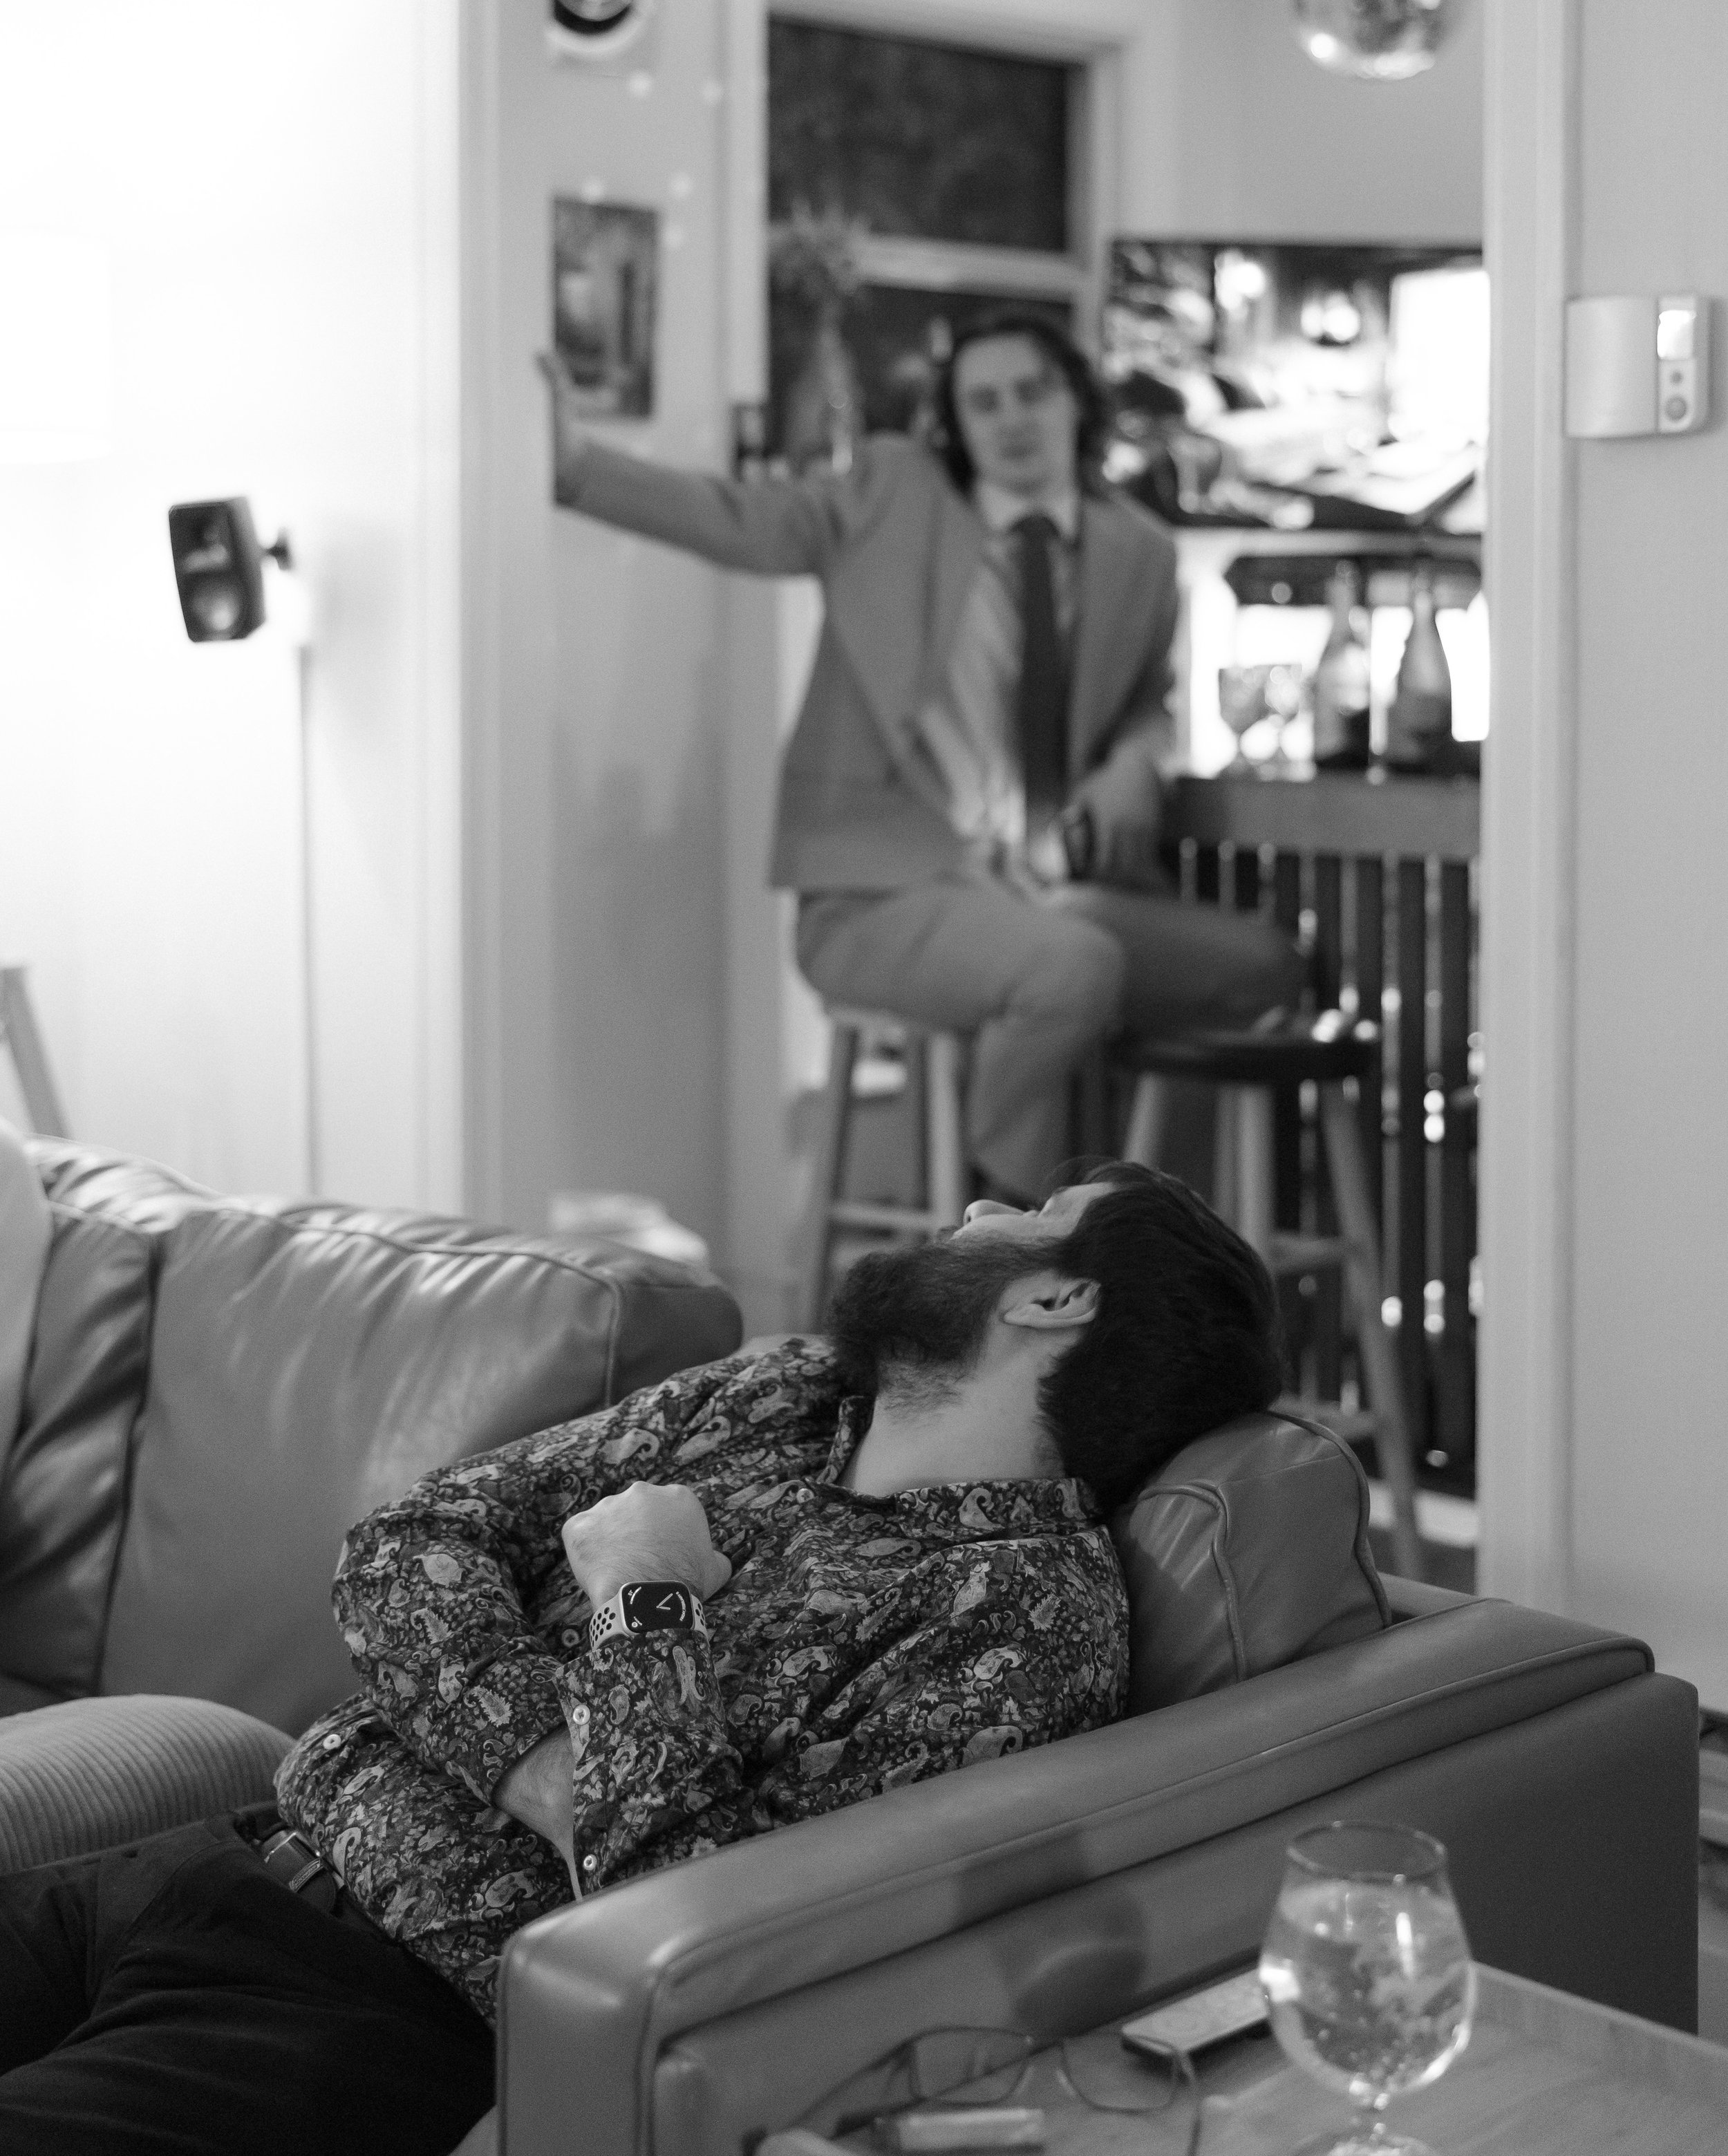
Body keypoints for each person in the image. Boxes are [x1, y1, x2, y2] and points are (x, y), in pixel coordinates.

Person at [0, 1165, 1282, 2156]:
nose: (973, 1206)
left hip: (365, 2010)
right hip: (225, 1852)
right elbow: (405, 1543)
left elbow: (694, 1923)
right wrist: (562, 1777)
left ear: (1056, 1297)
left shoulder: (1024, 1624)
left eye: (1031, 1209)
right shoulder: (778, 1394)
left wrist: (644, 1593)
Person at [549, 312, 1302, 1202]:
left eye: (1032, 392)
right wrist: (577, 468)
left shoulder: (1137, 551)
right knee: (1072, 969)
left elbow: (1149, 704)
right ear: (956, 424)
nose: (1011, 420)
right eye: (983, 403)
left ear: (1076, 400)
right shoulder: (893, 497)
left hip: (1037, 883)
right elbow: (746, 519)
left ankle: (1158, 1236)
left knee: (1257, 967)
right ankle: (1005, 1232)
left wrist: (1135, 762)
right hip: (877, 893)